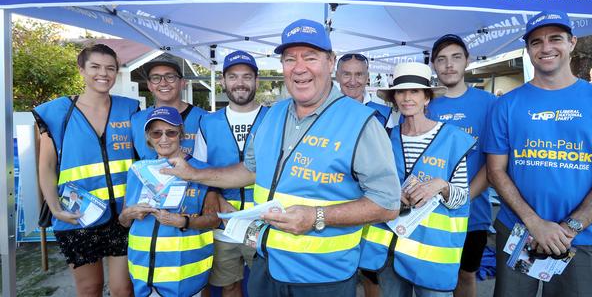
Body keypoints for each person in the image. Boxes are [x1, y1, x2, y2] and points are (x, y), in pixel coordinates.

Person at [162, 18, 401, 297]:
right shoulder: (273, 114)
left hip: (323, 277)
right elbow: (250, 170)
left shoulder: (361, 123)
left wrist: (316, 216)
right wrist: (193, 174)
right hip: (266, 264)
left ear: (330, 62)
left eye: (310, 57)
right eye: (290, 59)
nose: (299, 68)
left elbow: (387, 204)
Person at [485, 11, 592, 296]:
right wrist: (534, 222)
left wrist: (568, 229)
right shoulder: (506, 105)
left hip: (578, 236)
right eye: (536, 42)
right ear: (528, 49)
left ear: (572, 42)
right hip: (518, 231)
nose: (546, 47)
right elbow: (495, 171)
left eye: (555, 38)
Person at [360, 62, 475, 297]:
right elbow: (368, 187)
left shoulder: (452, 138)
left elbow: (461, 199)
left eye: (414, 91)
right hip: (390, 251)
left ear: (427, 98)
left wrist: (441, 186)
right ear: (394, 98)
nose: (407, 98)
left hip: (431, 253)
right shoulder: (384, 138)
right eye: (401, 92)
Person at [32, 44, 140, 297]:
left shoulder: (130, 109)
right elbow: (46, 165)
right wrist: (55, 208)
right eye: (95, 67)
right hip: (77, 215)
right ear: (81, 70)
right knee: (89, 288)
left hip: (124, 215)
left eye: (110, 68)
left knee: (123, 289)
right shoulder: (57, 112)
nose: (103, 73)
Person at [119, 106, 220, 297]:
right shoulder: (137, 170)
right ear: (148, 137)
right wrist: (128, 214)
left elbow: (214, 219)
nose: (163, 139)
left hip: (184, 278)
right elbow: (123, 221)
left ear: (181, 134)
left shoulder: (201, 171)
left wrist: (183, 222)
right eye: (156, 133)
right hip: (144, 276)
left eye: (170, 132)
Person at [193, 51, 269, 297]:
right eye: (233, 76)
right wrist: (216, 197)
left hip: (265, 218)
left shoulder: (274, 118)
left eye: (247, 76)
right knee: (229, 284)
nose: (240, 83)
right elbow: (199, 168)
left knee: (265, 284)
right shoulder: (208, 122)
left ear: (257, 81)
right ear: (223, 82)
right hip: (223, 220)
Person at [428, 34, 497, 297]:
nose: (449, 65)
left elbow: (494, 162)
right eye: (442, 59)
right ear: (434, 64)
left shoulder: (489, 103)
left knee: (466, 274)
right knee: (434, 275)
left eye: (456, 57)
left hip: (473, 212)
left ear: (466, 61)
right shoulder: (425, 104)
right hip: (432, 213)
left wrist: (463, 196)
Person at [131, 56, 207, 160]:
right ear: (149, 85)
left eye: (170, 77)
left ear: (182, 83)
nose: (163, 83)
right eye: (156, 78)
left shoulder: (205, 119)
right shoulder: (136, 121)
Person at [335, 53, 392, 128]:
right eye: (347, 74)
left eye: (359, 74)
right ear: (337, 76)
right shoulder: (324, 110)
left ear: (367, 78)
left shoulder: (386, 114)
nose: (353, 82)